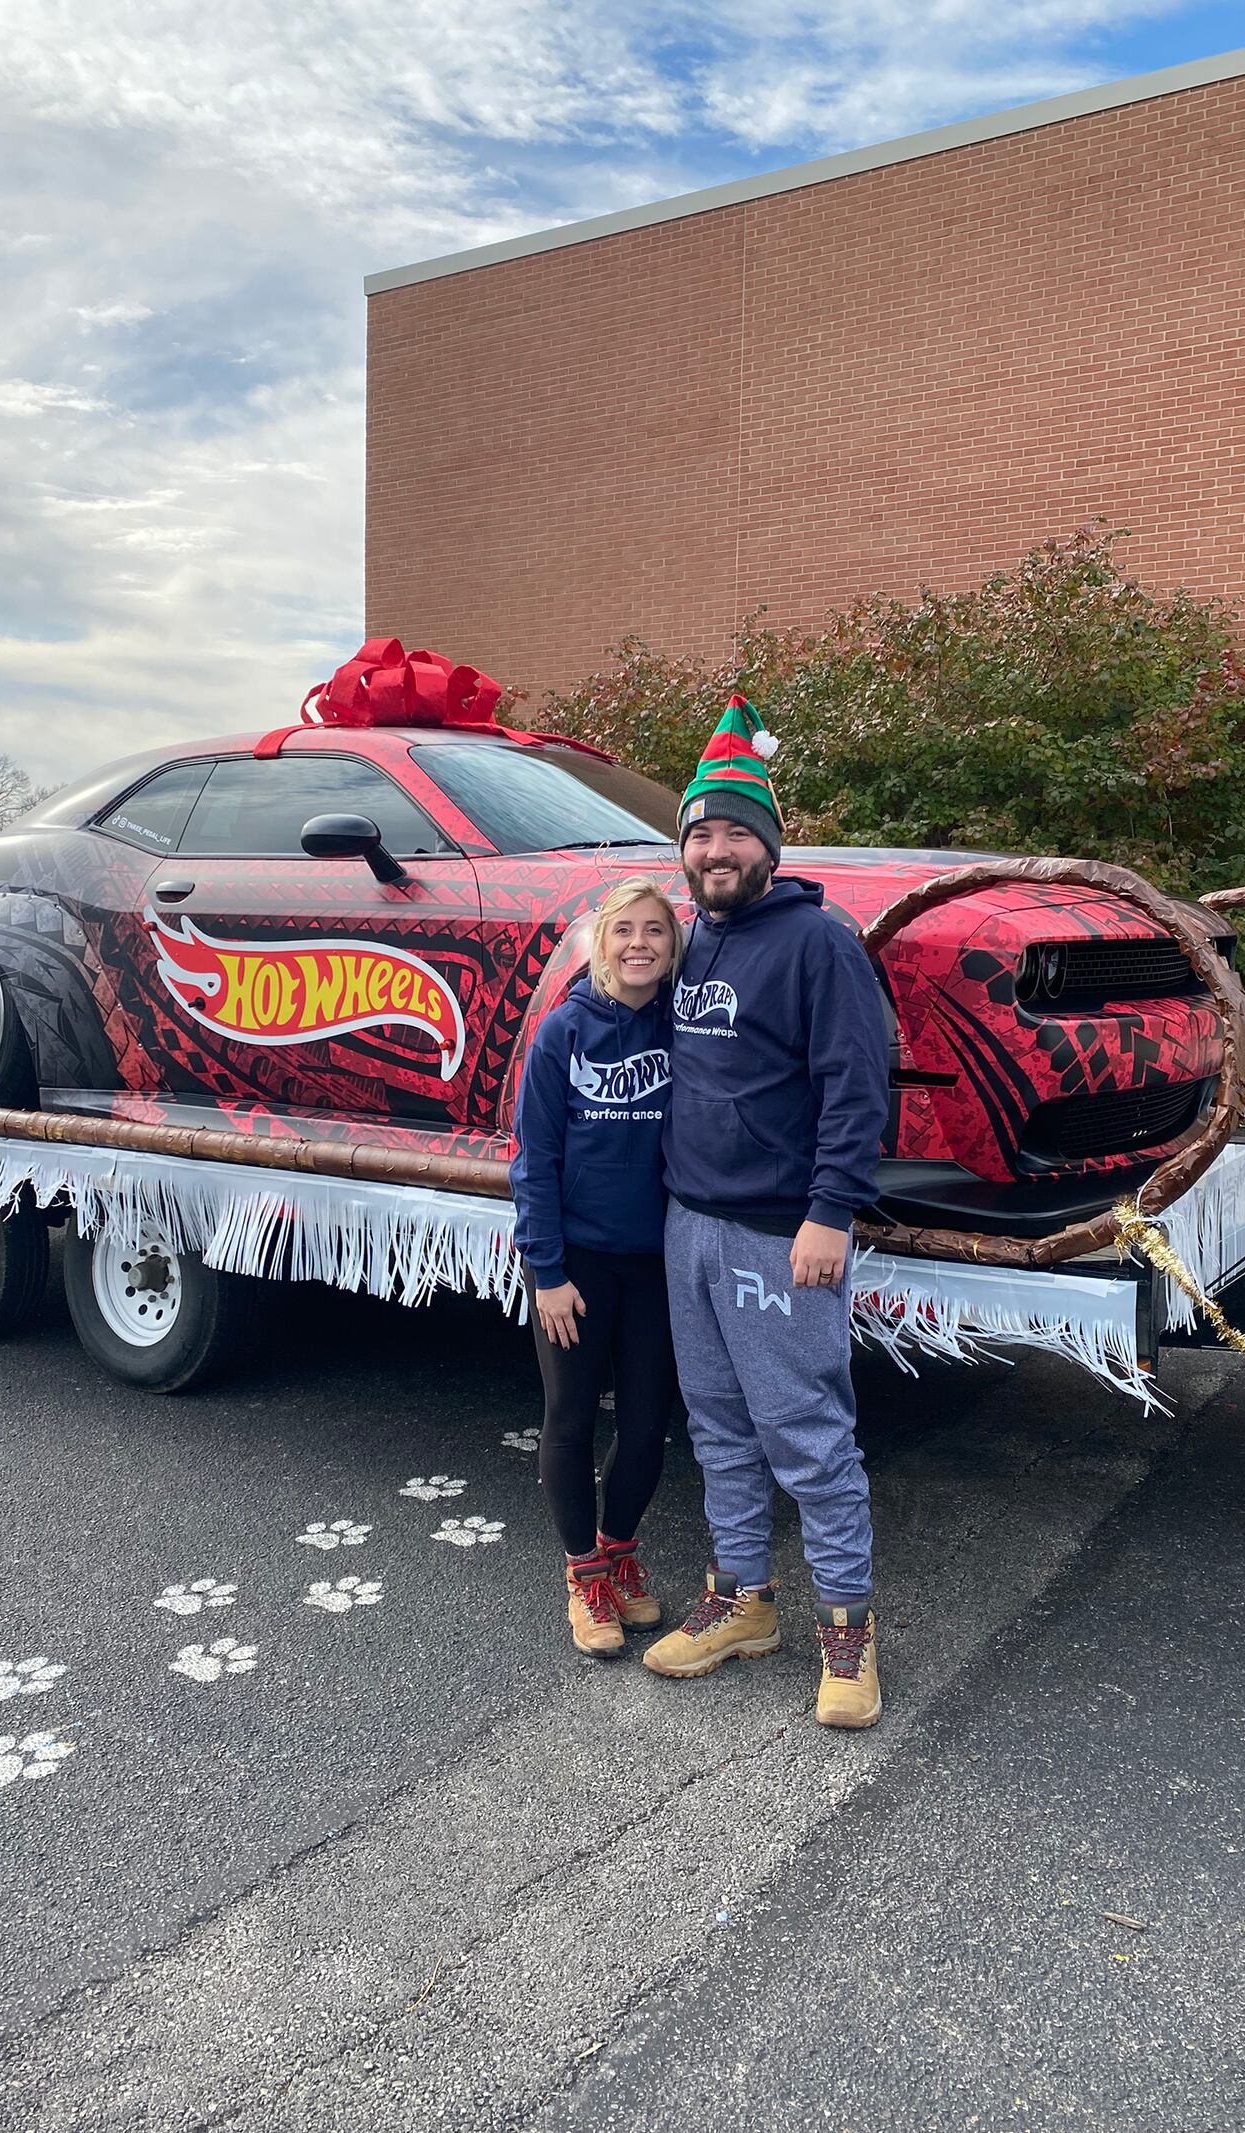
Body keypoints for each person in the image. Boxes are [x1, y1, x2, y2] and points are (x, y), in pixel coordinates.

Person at [642, 695, 891, 1728]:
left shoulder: (817, 945)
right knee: (718, 1430)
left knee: (807, 1437)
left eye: (735, 831)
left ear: (770, 847)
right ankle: (743, 1601)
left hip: (780, 1234)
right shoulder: (687, 941)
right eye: (699, 832)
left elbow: (856, 1085)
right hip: (686, 1225)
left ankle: (848, 1631)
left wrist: (831, 1212)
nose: (715, 848)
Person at [510, 877, 683, 1657]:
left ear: (673, 946)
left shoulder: (687, 1031)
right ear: (600, 942)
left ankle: (618, 1550)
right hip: (574, 1263)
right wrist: (547, 1270)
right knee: (571, 1417)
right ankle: (583, 1575)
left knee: (648, 1423)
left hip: (653, 1262)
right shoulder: (563, 1032)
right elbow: (533, 1160)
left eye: (656, 930)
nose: (640, 942)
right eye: (625, 930)